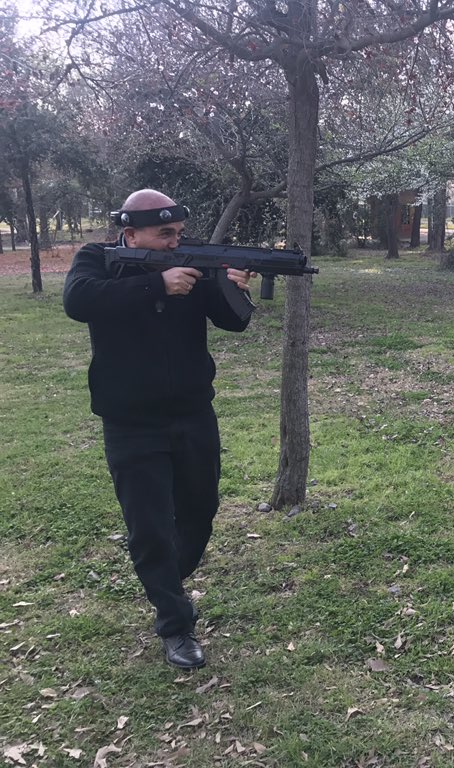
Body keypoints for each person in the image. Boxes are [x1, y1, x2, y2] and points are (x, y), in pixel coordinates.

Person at [63, 189, 255, 670]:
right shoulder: (97, 259)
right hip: (131, 422)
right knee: (149, 528)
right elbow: (77, 300)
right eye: (163, 234)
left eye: (178, 233)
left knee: (200, 511)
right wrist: (157, 285)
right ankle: (175, 622)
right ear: (130, 234)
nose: (174, 243)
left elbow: (234, 322)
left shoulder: (196, 263)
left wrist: (235, 285)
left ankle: (167, 579)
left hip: (193, 414)